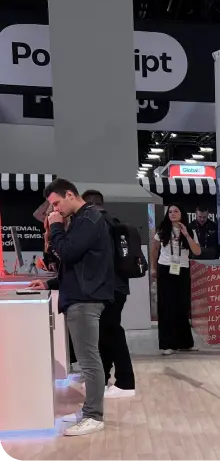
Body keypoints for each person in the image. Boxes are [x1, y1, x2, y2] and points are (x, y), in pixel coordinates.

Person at [28, 178, 114, 436]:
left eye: (56, 203)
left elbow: (68, 252)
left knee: (89, 361)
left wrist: (55, 228)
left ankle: (94, 416)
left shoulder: (88, 219)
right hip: (81, 296)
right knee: (88, 360)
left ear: (69, 194)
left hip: (85, 300)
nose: (55, 210)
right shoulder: (83, 219)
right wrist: (51, 283)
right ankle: (89, 410)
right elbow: (78, 264)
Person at [81, 190, 137, 398]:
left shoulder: (96, 224)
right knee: (106, 333)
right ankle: (104, 379)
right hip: (117, 286)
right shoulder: (113, 222)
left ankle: (125, 382)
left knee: (111, 333)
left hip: (106, 287)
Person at [151, 204, 201, 355]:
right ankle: (167, 344)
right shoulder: (162, 230)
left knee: (182, 305)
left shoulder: (190, 230)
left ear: (182, 213)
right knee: (166, 305)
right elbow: (154, 250)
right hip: (166, 268)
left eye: (176, 211)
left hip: (183, 269)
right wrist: (153, 267)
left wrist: (186, 235)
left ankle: (185, 343)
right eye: (170, 212)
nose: (172, 214)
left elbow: (197, 251)